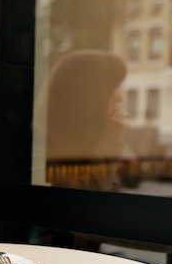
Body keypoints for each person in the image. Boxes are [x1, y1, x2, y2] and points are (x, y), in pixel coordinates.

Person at [45, 49, 128, 191]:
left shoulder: (87, 142)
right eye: (112, 88)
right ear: (89, 94)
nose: (119, 97)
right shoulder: (46, 147)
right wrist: (109, 143)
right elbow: (81, 204)